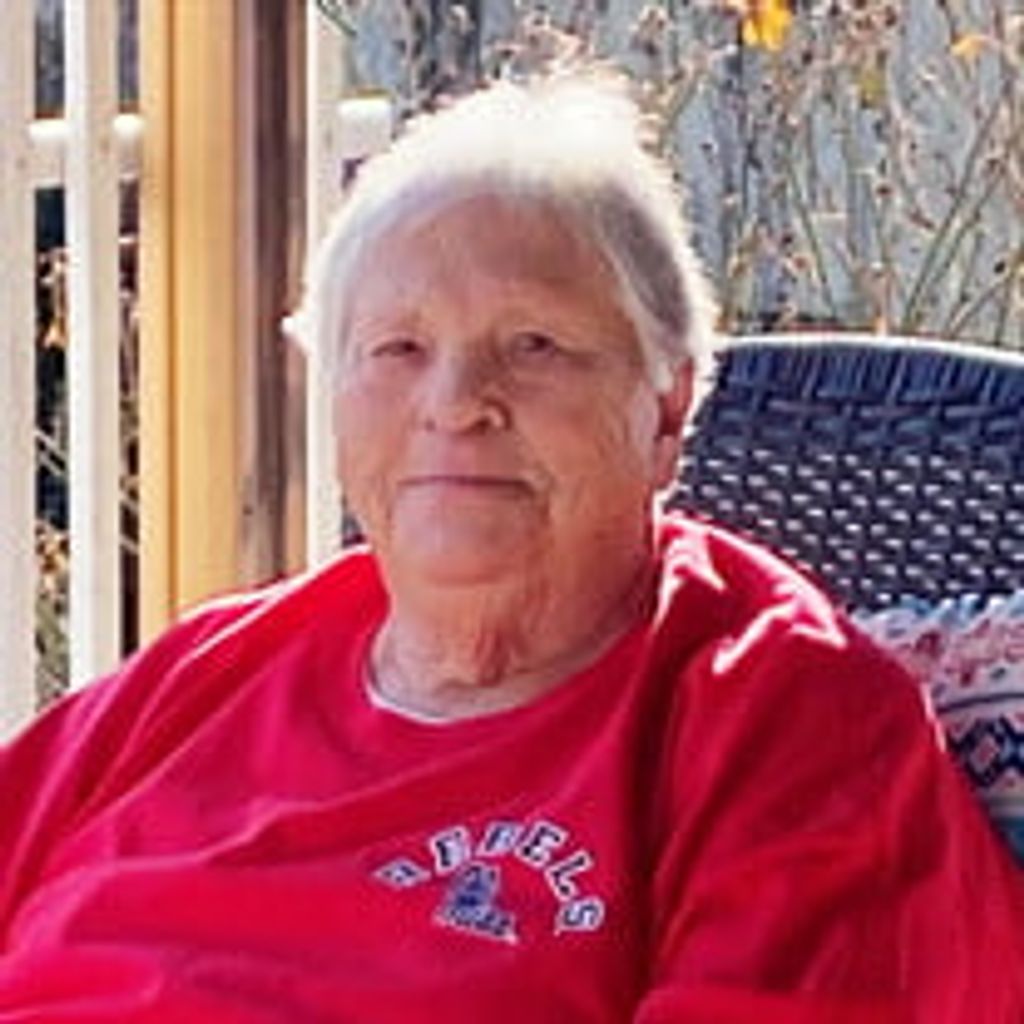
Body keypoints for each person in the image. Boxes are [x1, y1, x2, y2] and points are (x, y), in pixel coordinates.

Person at [0, 70, 1022, 1024]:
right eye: (399, 348)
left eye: (534, 346)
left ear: (667, 407)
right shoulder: (204, 677)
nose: (455, 403)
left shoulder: (782, 717)